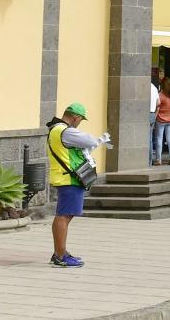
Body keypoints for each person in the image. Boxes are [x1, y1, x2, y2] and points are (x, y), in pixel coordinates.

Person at [46, 102, 110, 268]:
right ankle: (60, 256)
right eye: (80, 120)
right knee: (64, 216)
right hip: (70, 179)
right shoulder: (65, 131)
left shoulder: (56, 129)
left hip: (64, 178)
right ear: (76, 117)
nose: (79, 123)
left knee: (64, 215)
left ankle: (60, 252)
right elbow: (90, 141)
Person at [153, 79, 170, 165]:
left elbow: (157, 107)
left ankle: (158, 159)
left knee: (159, 139)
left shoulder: (160, 95)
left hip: (160, 120)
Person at [148, 77, 159, 165]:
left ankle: (146, 161)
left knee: (146, 139)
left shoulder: (145, 87)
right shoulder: (154, 88)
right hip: (152, 113)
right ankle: (149, 161)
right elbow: (158, 103)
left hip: (145, 113)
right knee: (150, 138)